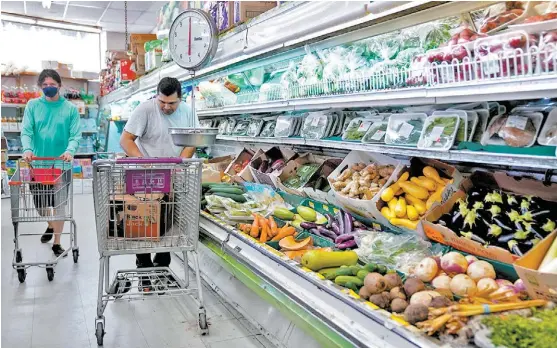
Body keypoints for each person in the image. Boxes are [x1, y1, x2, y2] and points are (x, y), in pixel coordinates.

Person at [120, 77, 198, 291]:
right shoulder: (145, 110)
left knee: (170, 223)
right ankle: (144, 269)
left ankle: (161, 268)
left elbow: (192, 142)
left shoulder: (189, 113)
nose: (165, 106)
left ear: (180, 99)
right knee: (143, 223)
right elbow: (125, 140)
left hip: (174, 175)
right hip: (145, 177)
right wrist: (142, 162)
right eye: (162, 101)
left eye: (171, 103)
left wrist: (178, 164)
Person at [21, 69, 81, 257]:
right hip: (38, 165)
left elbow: (75, 135)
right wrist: (27, 149)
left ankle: (57, 242)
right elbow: (27, 131)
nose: (48, 88)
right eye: (45, 85)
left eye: (52, 85)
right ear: (40, 86)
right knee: (40, 207)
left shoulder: (70, 109)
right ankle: (50, 225)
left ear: (59, 86)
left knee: (59, 206)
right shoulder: (33, 106)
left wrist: (70, 151)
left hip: (61, 165)